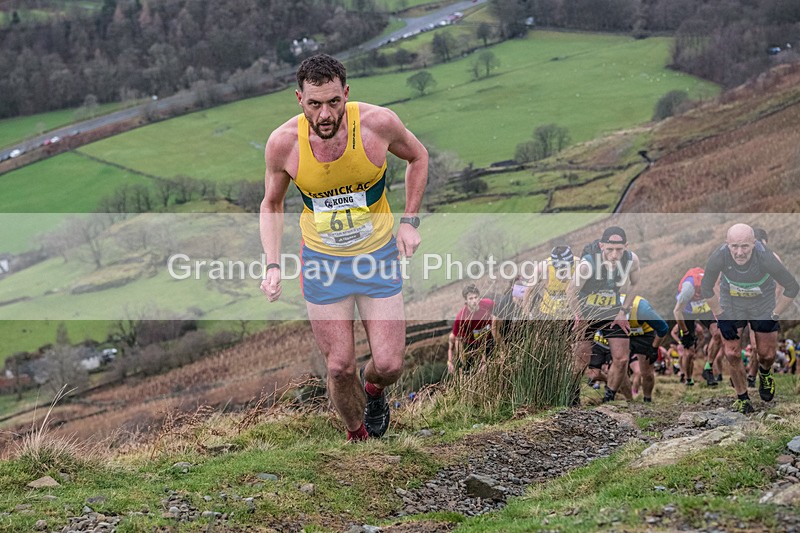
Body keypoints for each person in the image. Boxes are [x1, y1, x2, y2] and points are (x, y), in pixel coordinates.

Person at [259, 54, 428, 441]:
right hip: (323, 263)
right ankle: (359, 439)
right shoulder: (283, 144)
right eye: (315, 104)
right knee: (339, 367)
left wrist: (410, 221)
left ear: (346, 94)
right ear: (299, 99)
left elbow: (418, 157)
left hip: (377, 257)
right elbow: (271, 203)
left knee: (388, 364)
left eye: (334, 102)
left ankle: (373, 393)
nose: (325, 114)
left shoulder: (377, 124)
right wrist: (272, 264)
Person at [700, 223, 799, 414]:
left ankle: (765, 372)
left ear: (754, 244)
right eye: (734, 246)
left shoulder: (766, 258)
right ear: (726, 244)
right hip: (732, 302)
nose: (739, 252)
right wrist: (721, 316)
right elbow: (706, 288)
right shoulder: (719, 256)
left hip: (762, 302)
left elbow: (792, 287)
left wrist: (775, 313)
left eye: (745, 246)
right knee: (732, 353)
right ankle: (743, 397)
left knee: (766, 355)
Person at [569, 226, 641, 403]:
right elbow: (570, 290)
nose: (614, 255)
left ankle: (609, 397)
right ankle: (572, 397)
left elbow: (636, 284)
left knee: (622, 358)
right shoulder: (587, 264)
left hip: (613, 312)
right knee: (581, 359)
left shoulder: (632, 260)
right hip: (587, 312)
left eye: (619, 250)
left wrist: (623, 311)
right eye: (610, 249)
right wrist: (579, 316)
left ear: (626, 246)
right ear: (601, 246)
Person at [673, 267, 722, 387]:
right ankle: (688, 378)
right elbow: (677, 311)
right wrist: (685, 333)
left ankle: (708, 368)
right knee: (689, 352)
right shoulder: (689, 288)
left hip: (704, 308)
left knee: (718, 334)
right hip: (687, 311)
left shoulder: (713, 284)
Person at [621, 293, 669, 402]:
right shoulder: (609, 307)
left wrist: (654, 348)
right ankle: (629, 400)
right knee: (620, 368)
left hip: (644, 334)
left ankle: (647, 399)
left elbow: (663, 329)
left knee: (646, 372)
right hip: (623, 333)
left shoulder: (643, 309)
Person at [448, 284, 494, 373]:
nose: (474, 301)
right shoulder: (461, 318)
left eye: (476, 297)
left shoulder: (488, 304)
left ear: (479, 297)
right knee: (455, 339)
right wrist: (450, 361)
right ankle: (465, 367)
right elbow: (455, 341)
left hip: (490, 339)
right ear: (466, 301)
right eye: (471, 299)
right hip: (472, 346)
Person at [492, 276, 530, 346]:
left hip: (528, 341)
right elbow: (495, 330)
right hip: (509, 343)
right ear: (513, 288)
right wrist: (503, 348)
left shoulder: (533, 298)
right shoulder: (504, 303)